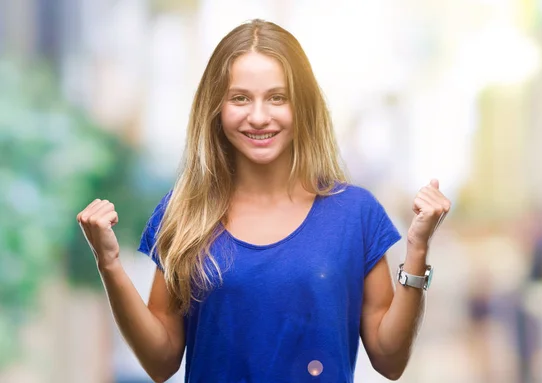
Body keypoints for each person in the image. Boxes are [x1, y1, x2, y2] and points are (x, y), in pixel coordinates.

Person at [76, 19, 451, 383]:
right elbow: (161, 363)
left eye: (277, 98)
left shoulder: (356, 214)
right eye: (240, 98)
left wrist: (418, 248)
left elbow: (390, 360)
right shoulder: (182, 213)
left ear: (301, 106)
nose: (258, 117)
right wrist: (109, 264)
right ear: (216, 107)